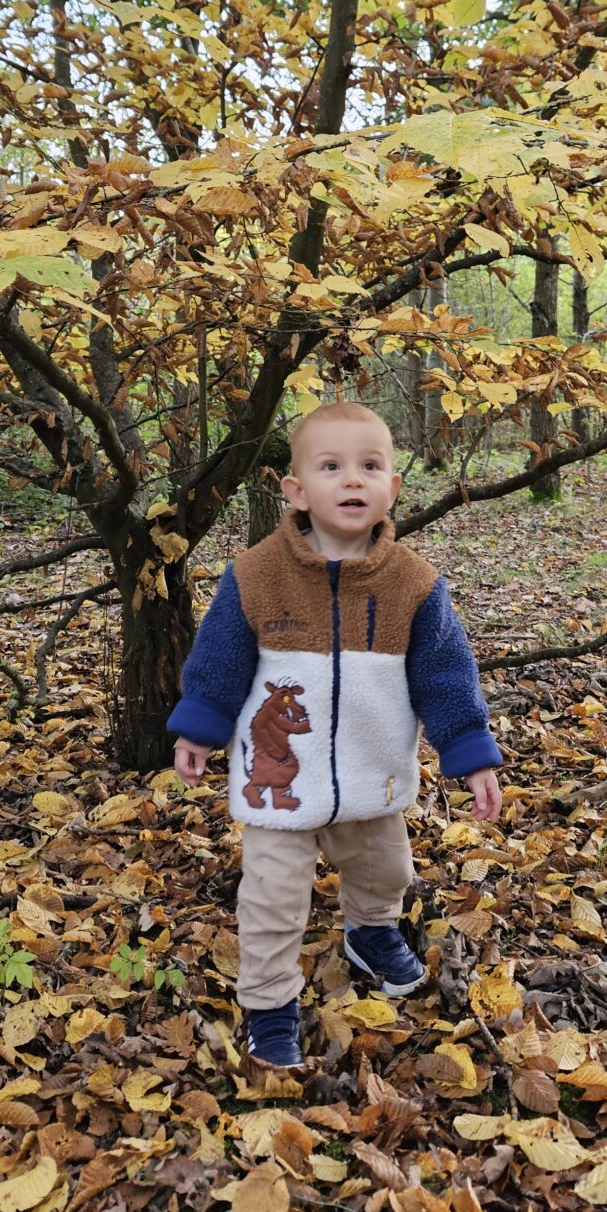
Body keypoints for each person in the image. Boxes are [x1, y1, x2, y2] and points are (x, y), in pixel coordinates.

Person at [167, 401, 503, 1070]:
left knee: (387, 873)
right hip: (279, 788)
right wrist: (199, 728)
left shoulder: (414, 585)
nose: (353, 481)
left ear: (393, 490)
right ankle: (268, 1004)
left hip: (371, 778)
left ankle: (370, 934)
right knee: (270, 898)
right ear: (295, 491)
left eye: (370, 467)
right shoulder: (256, 576)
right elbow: (219, 663)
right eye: (331, 467)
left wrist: (468, 753)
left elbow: (446, 677)